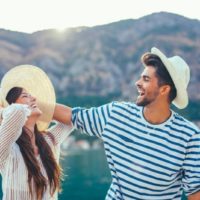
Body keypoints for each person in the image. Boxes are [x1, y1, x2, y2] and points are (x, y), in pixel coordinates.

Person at [54, 47, 200, 200]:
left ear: (164, 89)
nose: (137, 83)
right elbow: (72, 115)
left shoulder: (189, 137)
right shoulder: (116, 114)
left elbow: (195, 194)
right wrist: (31, 103)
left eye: (146, 79)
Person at [0, 65, 73, 200]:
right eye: (25, 96)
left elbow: (71, 119)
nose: (34, 98)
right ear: (11, 105)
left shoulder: (49, 141)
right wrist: (3, 110)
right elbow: (17, 112)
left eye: (33, 96)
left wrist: (40, 105)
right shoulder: (8, 147)